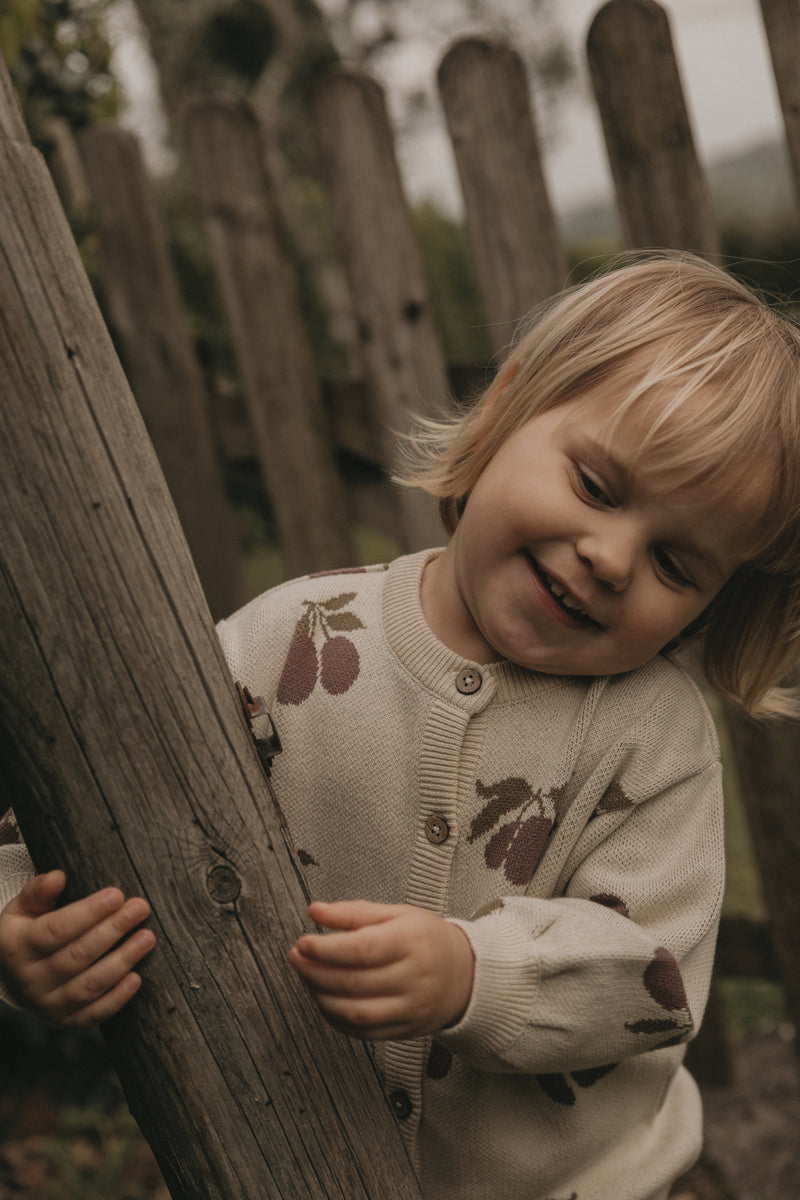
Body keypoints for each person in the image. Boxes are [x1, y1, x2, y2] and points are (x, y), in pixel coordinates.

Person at [2, 253, 800, 1200]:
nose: (612, 558)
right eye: (596, 485)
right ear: (506, 411)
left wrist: (476, 975)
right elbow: (111, 784)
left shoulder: (654, 737)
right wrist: (18, 928)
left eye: (676, 562)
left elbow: (654, 976)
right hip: (274, 1164)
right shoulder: (294, 637)